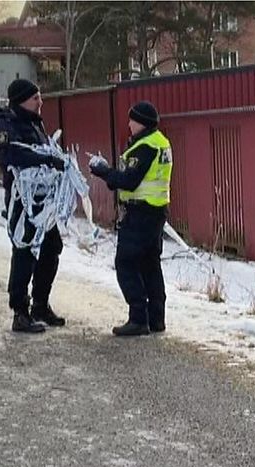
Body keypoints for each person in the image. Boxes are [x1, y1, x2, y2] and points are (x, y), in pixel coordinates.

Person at [88, 101, 171, 336]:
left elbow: (129, 181)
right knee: (150, 265)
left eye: (132, 120)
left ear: (141, 122)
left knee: (126, 263)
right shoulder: (160, 142)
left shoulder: (145, 146)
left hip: (140, 213)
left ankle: (138, 318)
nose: (129, 124)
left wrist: (104, 172)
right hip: (155, 212)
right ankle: (156, 319)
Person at [0, 78, 67, 334]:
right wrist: (45, 158)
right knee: (24, 252)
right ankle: (20, 312)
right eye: (36, 98)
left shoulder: (36, 123)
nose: (41, 102)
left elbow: (44, 151)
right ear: (23, 99)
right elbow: (11, 153)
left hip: (43, 201)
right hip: (21, 201)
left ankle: (40, 305)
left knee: (51, 246)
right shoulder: (6, 122)